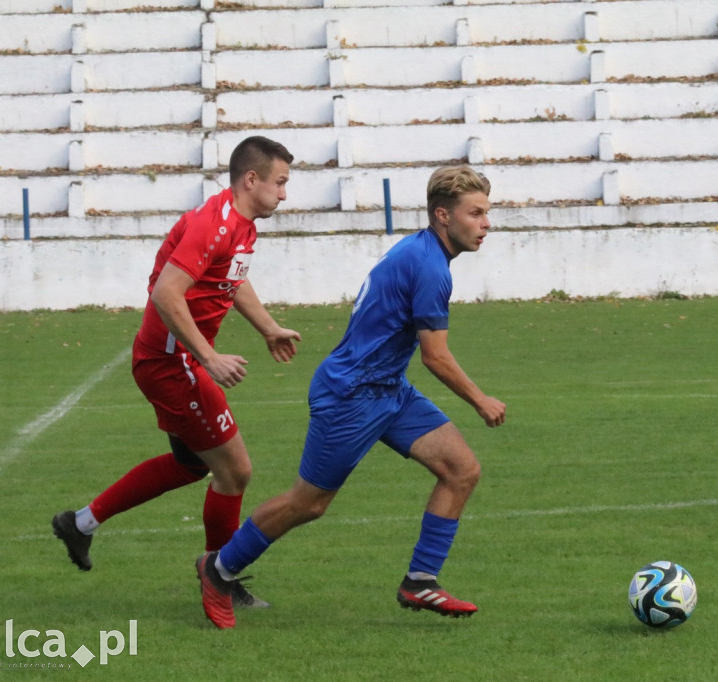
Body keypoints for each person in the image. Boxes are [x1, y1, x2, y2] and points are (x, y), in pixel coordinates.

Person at [195, 165, 506, 629]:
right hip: (352, 395)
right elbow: (435, 357)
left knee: (461, 471)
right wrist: (481, 399)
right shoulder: (429, 267)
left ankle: (420, 581)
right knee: (309, 503)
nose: (485, 224)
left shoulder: (425, 254)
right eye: (476, 213)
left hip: (387, 389)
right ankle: (218, 570)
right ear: (443, 215)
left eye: (486, 213)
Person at [53, 136, 302, 609]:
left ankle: (80, 523)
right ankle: (219, 575)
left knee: (192, 464)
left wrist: (267, 327)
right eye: (280, 183)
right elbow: (168, 293)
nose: (284, 195)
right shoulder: (215, 222)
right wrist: (208, 357)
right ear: (252, 179)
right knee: (235, 471)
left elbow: (231, 276)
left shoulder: (241, 223)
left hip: (174, 359)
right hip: (171, 363)